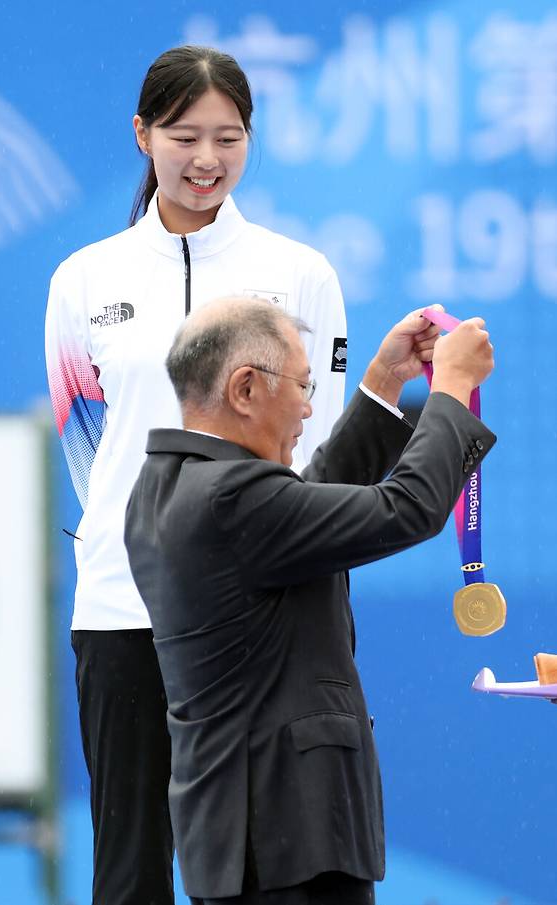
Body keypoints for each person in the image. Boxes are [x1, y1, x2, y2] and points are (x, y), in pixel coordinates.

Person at [44, 46, 349, 905]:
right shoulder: (84, 281)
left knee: (267, 867)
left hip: (261, 620)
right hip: (123, 607)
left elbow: (317, 448)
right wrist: (147, 545)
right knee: (131, 868)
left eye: (229, 137)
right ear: (142, 134)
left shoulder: (299, 274)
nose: (207, 159)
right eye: (184, 136)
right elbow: (88, 450)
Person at [124, 297, 496, 905]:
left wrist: (382, 385)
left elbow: (303, 508)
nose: (307, 406)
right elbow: (407, 509)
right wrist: (450, 388)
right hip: (288, 842)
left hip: (251, 841)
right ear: (245, 389)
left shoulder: (169, 489)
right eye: (303, 385)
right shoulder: (232, 499)